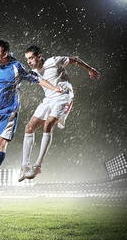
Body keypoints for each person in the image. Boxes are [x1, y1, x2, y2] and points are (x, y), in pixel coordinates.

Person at [0, 40, 61, 192]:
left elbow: (37, 79)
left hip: (9, 112)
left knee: (0, 143)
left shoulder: (16, 67)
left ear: (5, 53)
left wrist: (54, 88)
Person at [18, 45, 101, 182]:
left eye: (31, 58)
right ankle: (24, 166)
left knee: (48, 124)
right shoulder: (33, 72)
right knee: (29, 127)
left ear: (39, 56)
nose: (29, 61)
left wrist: (90, 69)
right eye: (27, 59)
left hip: (63, 96)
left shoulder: (53, 61)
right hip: (48, 99)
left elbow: (74, 59)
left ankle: (37, 165)